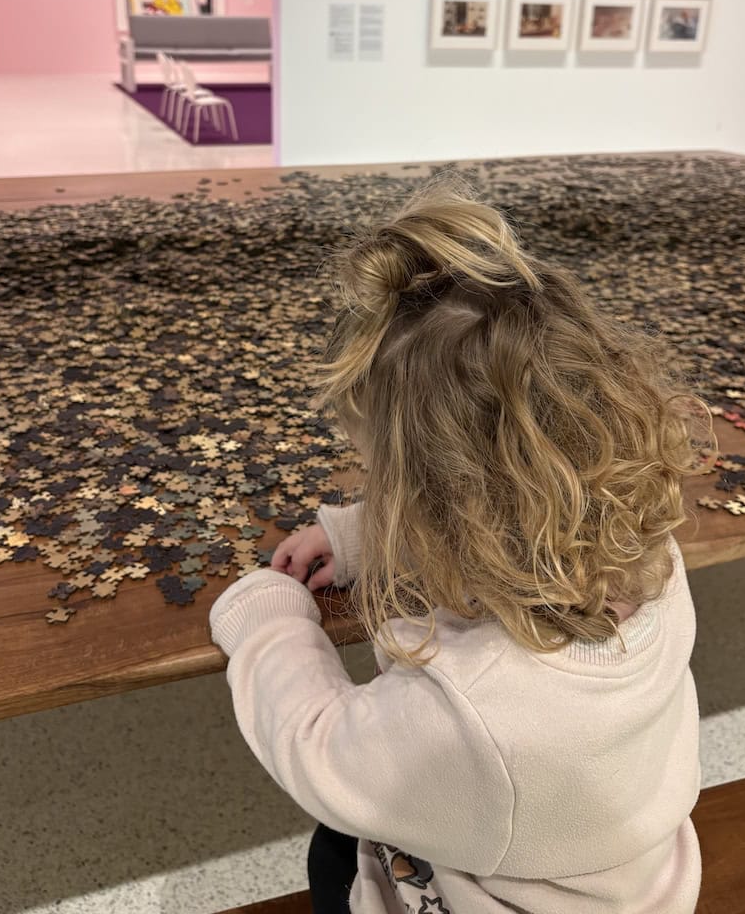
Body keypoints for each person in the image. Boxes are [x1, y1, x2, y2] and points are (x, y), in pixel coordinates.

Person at [209, 180, 711, 914]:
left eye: (391, 485)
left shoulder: (469, 717)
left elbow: (315, 744)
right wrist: (358, 537)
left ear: (440, 514)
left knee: (331, 847)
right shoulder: (651, 554)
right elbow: (516, 502)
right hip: (631, 880)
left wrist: (267, 620)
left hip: (487, 886)